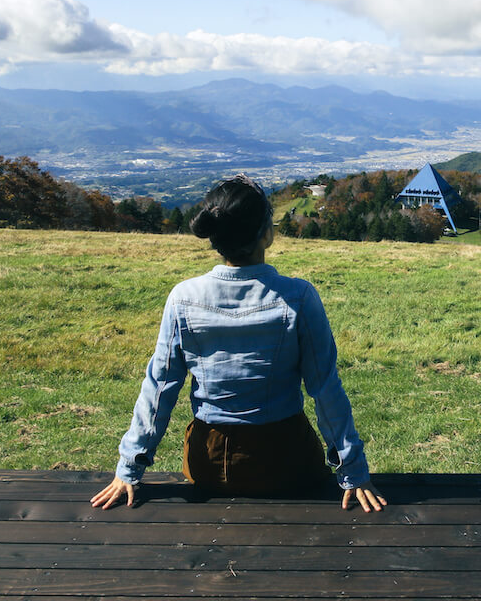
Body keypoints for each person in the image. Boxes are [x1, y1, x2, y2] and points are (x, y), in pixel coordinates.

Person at [91, 175, 385, 513]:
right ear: (267, 233)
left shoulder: (183, 298)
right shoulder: (299, 297)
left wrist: (129, 469)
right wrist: (354, 472)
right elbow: (325, 388)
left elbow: (159, 389)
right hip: (287, 461)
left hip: (209, 464)